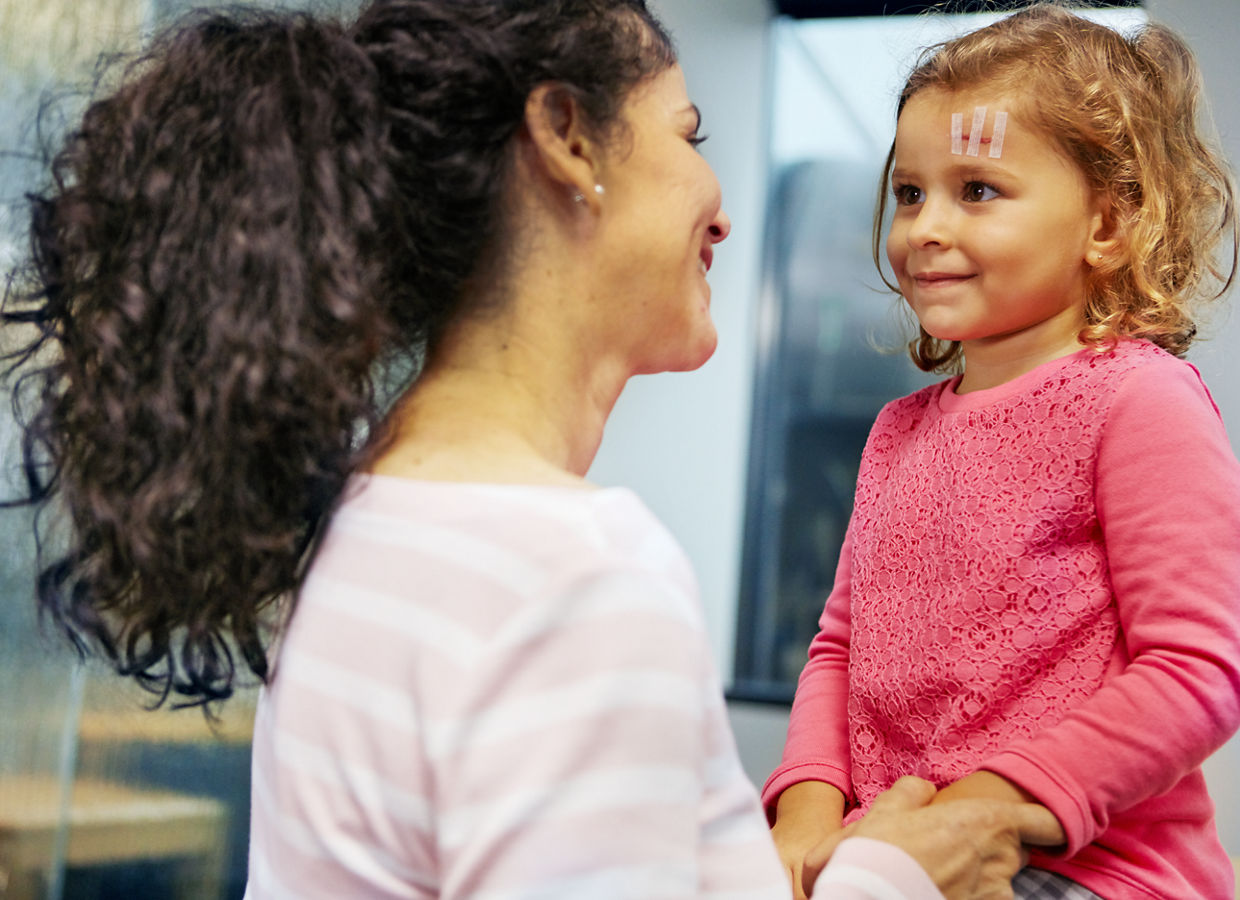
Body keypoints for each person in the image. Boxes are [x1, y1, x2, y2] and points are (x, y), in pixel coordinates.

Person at [2, 1, 1058, 897]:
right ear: (566, 135)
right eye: (687, 137)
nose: (720, 209)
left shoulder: (371, 509)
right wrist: (894, 879)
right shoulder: (567, 581)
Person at [764, 4, 1240, 900]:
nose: (925, 229)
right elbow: (839, 650)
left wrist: (984, 806)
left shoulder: (1139, 400)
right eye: (909, 193)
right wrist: (806, 813)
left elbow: (1197, 672)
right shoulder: (895, 433)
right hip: (891, 853)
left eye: (976, 190)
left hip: (1089, 872)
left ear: (1108, 223)